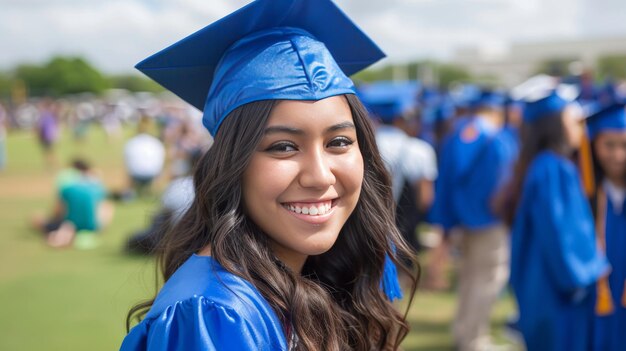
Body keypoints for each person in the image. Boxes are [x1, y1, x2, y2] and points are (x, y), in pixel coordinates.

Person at [121, 0, 417, 350]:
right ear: (232, 163)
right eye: (283, 147)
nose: (320, 176)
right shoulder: (216, 314)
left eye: (338, 142)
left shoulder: (309, 279)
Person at [505, 91, 610, 351]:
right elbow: (563, 235)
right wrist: (592, 268)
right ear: (556, 125)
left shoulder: (539, 165)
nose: (581, 129)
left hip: (540, 281)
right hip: (558, 289)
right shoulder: (554, 169)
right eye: (574, 121)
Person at [429, 91, 518, 351]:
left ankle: (463, 332)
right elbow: (504, 181)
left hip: (461, 220)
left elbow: (444, 182)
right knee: (488, 279)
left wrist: (445, 221)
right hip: (489, 221)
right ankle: (474, 339)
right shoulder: (497, 138)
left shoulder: (457, 135)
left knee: (469, 278)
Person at [358, 81, 438, 253]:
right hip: (403, 232)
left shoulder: (359, 146)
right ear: (402, 117)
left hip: (364, 231)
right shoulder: (420, 150)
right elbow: (425, 199)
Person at [585, 103, 626, 351]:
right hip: (597, 297)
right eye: (608, 145)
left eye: (624, 145)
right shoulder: (585, 194)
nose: (618, 155)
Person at [123, 115, 165, 197]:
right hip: (153, 173)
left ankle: (129, 194)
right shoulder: (156, 142)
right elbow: (161, 161)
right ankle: (155, 193)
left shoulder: (131, 142)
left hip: (135, 173)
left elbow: (127, 162)